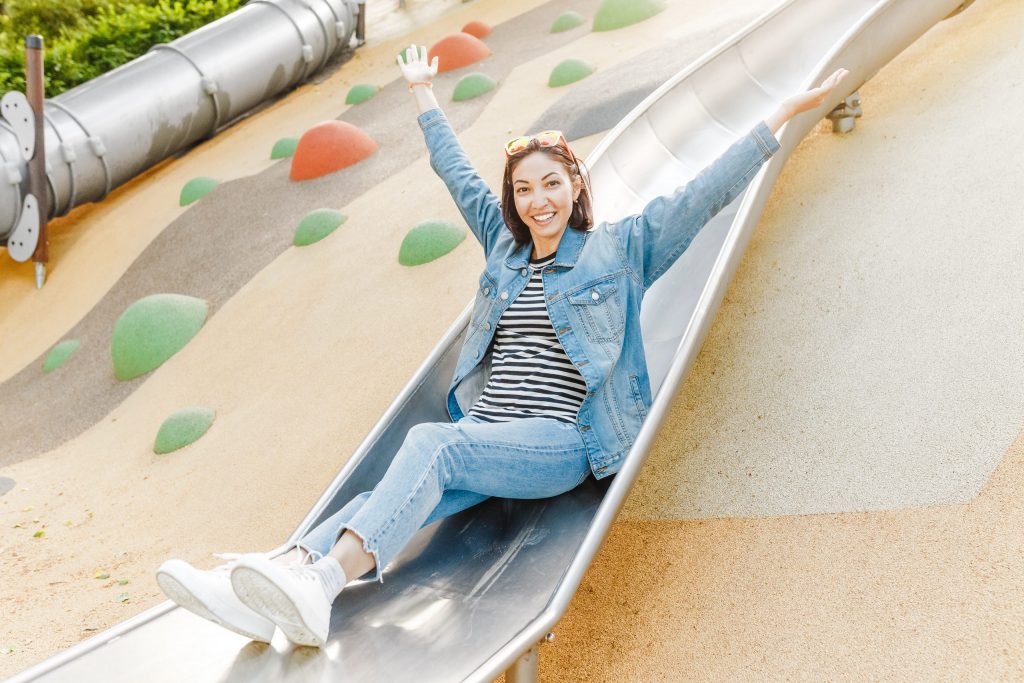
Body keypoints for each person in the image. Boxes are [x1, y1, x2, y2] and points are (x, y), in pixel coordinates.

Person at [156, 45, 848, 648]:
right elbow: (458, 173)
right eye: (523, 190)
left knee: (432, 443)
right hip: (491, 434)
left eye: (551, 183)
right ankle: (266, 591)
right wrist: (423, 92)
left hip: (562, 443)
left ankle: (320, 584)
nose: (537, 200)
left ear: (576, 185)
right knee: (392, 495)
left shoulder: (622, 247)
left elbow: (703, 195)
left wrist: (778, 117)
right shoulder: (505, 251)